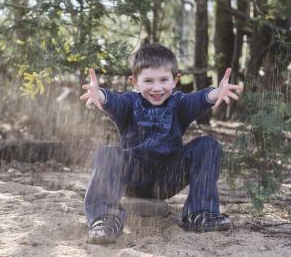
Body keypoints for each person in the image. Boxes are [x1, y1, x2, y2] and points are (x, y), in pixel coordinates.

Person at [79, 44, 242, 245]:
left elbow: (197, 100)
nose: (157, 88)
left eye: (164, 80)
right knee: (107, 152)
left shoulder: (179, 103)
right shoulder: (129, 103)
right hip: (133, 177)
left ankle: (201, 213)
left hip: (168, 178)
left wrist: (215, 93)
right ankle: (104, 218)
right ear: (135, 82)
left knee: (207, 145)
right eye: (148, 81)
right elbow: (114, 101)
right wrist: (101, 96)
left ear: (175, 81)